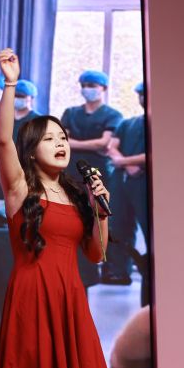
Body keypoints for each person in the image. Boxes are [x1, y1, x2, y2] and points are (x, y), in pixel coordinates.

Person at [0, 48, 127, 368]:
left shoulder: (76, 193)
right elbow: (2, 139)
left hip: (70, 299)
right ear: (31, 150)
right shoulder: (19, 188)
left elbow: (96, 254)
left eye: (63, 138)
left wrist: (100, 209)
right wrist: (10, 84)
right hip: (32, 296)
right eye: (49, 139)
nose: (61, 143)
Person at [60, 70, 125, 283]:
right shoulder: (71, 112)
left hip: (98, 173)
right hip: (71, 172)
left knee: (99, 218)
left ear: (103, 88)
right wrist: (92, 145)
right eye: (84, 85)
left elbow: (104, 143)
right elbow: (62, 139)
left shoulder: (112, 115)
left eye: (92, 85)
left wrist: (74, 143)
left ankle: (104, 268)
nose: (87, 89)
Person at [107, 82, 149, 296]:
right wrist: (126, 163)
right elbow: (111, 147)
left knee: (149, 228)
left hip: (144, 182)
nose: (143, 98)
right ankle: (119, 272)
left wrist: (125, 162)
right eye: (140, 94)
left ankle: (151, 275)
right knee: (119, 226)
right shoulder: (127, 123)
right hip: (122, 182)